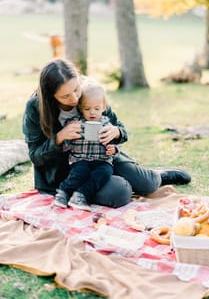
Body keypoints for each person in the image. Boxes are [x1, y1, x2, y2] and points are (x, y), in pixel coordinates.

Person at [22, 58, 191, 208]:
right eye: (65, 96)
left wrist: (115, 132)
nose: (74, 99)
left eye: (76, 90)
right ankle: (115, 181)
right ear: (50, 96)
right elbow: (35, 156)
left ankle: (157, 175)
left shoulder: (90, 90)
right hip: (67, 170)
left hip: (102, 156)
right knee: (120, 192)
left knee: (147, 183)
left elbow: (121, 129)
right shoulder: (36, 107)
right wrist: (60, 137)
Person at [54, 80, 125, 211]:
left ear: (104, 107)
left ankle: (81, 195)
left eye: (97, 108)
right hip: (81, 159)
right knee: (79, 172)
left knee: (104, 173)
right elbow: (66, 145)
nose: (92, 112)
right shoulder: (75, 123)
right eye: (87, 109)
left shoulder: (108, 125)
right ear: (81, 108)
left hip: (102, 161)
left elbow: (114, 145)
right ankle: (63, 193)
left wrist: (113, 150)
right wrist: (69, 134)